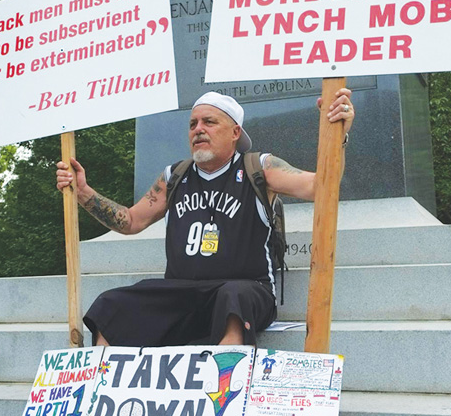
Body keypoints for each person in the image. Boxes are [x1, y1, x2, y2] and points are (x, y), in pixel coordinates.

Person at [56, 89, 354, 347]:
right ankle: (103, 388)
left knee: (232, 296)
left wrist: (337, 133)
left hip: (248, 290)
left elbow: (321, 188)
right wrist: (83, 192)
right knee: (111, 306)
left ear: (235, 132)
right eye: (193, 124)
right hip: (183, 295)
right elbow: (131, 221)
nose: (198, 129)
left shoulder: (259, 168)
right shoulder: (175, 176)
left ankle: (222, 390)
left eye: (209, 122)